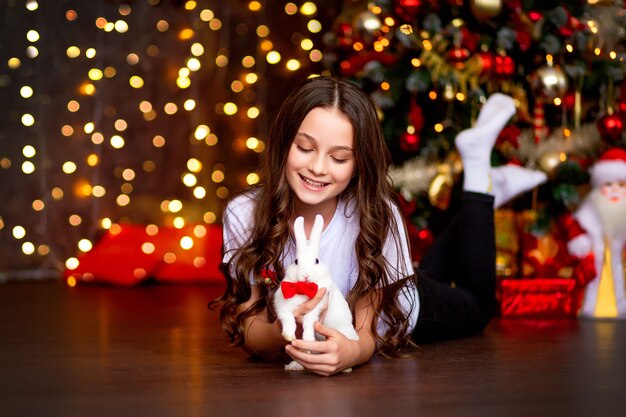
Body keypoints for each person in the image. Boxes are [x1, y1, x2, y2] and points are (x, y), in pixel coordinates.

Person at [210, 76, 519, 376]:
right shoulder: (244, 213)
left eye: (339, 158)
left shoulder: (377, 213)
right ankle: (482, 205)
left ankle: (479, 178)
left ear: (359, 164)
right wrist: (284, 327)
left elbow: (366, 334)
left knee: (479, 307)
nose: (317, 168)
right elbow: (251, 331)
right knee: (429, 268)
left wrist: (351, 352)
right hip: (395, 277)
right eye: (304, 148)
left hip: (402, 306)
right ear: (282, 143)